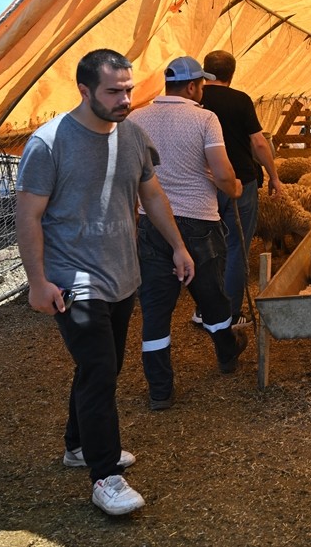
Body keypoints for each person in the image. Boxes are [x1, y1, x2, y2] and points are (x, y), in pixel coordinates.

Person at [16, 48, 194, 516]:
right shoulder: (48, 143)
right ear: (84, 90)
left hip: (121, 273)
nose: (125, 99)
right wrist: (37, 282)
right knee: (98, 370)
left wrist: (178, 246)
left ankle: (78, 445)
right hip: (72, 279)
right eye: (114, 91)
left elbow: (151, 194)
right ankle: (105, 475)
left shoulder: (133, 135)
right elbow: (28, 216)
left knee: (104, 366)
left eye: (129, 90)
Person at [128, 56, 247, 412]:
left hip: (152, 223)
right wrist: (235, 188)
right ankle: (226, 354)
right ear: (194, 86)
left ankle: (160, 390)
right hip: (198, 221)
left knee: (155, 308)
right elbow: (222, 174)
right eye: (201, 86)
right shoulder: (205, 119)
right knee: (211, 296)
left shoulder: (135, 119)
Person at [198, 50, 282, 327]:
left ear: (205, 71)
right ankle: (230, 313)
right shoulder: (240, 100)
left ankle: (204, 309)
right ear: (231, 74)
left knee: (206, 246)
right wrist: (274, 176)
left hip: (204, 183)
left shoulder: (195, 100)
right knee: (237, 245)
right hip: (240, 182)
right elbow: (258, 143)